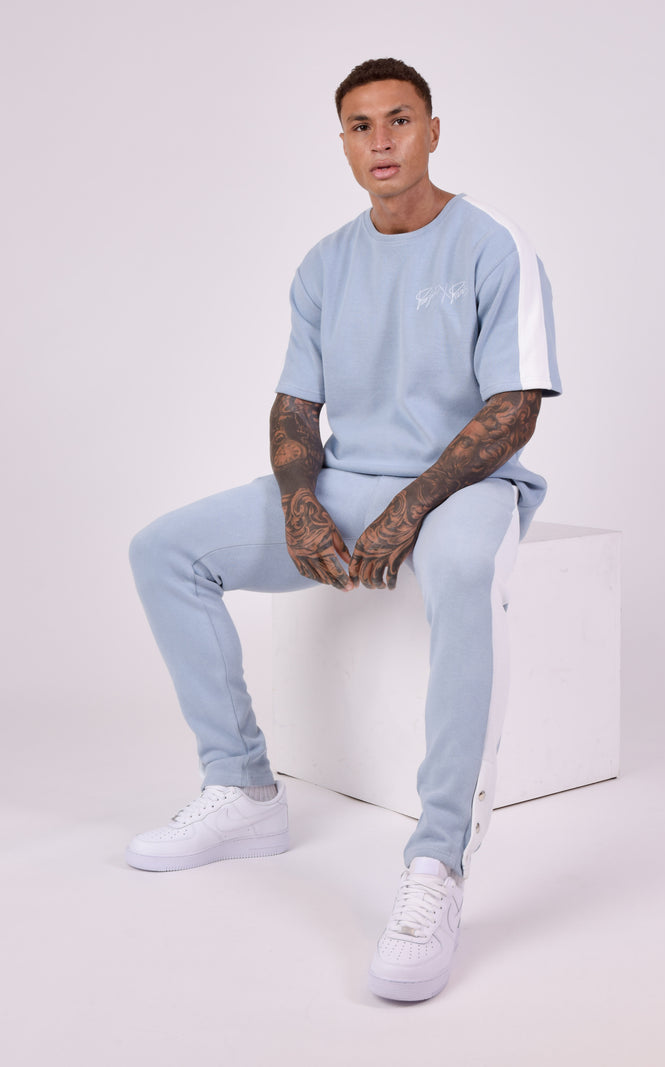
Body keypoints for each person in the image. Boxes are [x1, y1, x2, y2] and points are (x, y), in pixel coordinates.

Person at [126, 57, 561, 1002]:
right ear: (344, 144)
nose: (382, 142)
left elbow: (515, 406)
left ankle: (436, 864)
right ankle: (244, 787)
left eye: (399, 120)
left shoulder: (492, 245)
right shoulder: (325, 263)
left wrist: (412, 506)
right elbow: (294, 407)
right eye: (362, 127)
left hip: (466, 485)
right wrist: (301, 501)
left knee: (459, 577)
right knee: (165, 551)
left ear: (433, 131)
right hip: (347, 482)